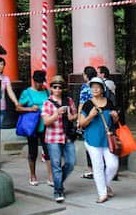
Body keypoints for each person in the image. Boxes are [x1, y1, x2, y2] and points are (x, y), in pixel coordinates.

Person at [78, 77, 120, 203]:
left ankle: (105, 185)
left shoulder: (109, 102)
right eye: (92, 87)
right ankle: (102, 193)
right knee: (98, 166)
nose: (95, 89)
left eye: (97, 87)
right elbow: (81, 123)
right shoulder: (88, 104)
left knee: (113, 165)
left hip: (107, 139)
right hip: (92, 140)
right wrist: (90, 116)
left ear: (103, 89)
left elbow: (114, 123)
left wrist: (115, 118)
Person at [42, 75, 77, 203]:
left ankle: (58, 182)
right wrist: (57, 114)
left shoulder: (69, 101)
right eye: (55, 87)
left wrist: (70, 116)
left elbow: (75, 115)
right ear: (51, 88)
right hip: (53, 138)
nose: (57, 89)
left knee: (71, 162)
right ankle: (58, 190)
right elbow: (46, 122)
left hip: (67, 136)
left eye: (60, 87)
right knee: (56, 165)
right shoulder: (47, 103)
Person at [18, 70, 53, 186]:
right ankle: (33, 175)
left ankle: (50, 175)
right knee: (33, 151)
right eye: (37, 82)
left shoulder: (47, 92)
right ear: (33, 81)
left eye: (41, 82)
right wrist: (29, 109)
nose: (39, 84)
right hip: (32, 126)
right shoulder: (27, 93)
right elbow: (18, 108)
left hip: (45, 125)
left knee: (48, 150)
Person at [79, 66, 97, 179]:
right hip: (99, 116)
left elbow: (81, 103)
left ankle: (91, 169)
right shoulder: (99, 86)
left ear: (86, 75)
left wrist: (78, 120)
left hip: (87, 117)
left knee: (89, 143)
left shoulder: (85, 87)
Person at [0, 57, 19, 128]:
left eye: (2, 64)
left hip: (1, 106)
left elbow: (10, 92)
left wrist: (16, 102)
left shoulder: (5, 78)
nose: (0, 66)